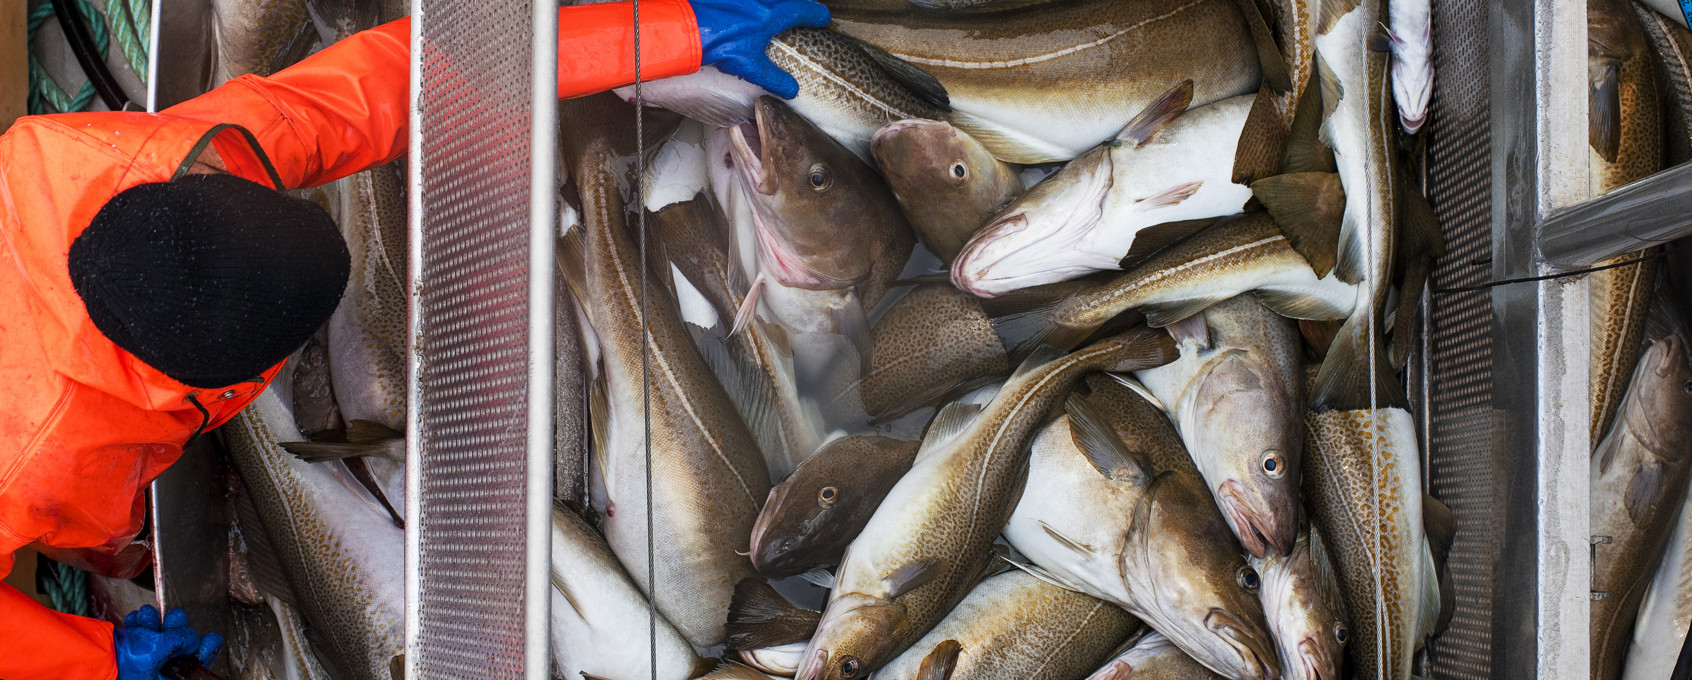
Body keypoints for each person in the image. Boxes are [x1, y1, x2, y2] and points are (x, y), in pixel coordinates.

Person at [0, 0, 829, 676]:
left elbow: (397, 83)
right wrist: (88, 659)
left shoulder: (165, 158)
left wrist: (667, 31)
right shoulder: (42, 459)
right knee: (99, 523)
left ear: (213, 187)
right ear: (198, 381)